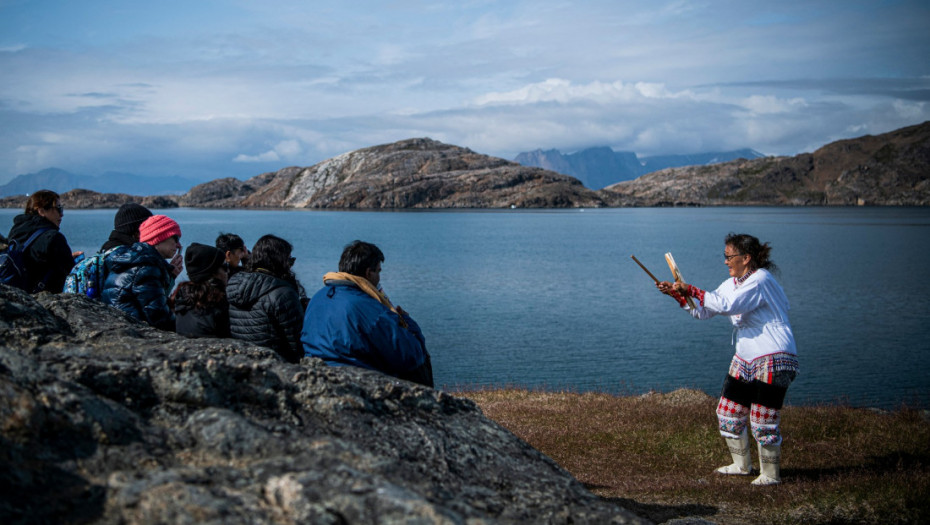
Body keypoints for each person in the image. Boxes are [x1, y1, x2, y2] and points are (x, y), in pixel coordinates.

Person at [657, 233, 799, 486]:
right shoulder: (731, 283)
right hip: (745, 357)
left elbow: (728, 306)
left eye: (729, 256)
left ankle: (770, 475)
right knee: (728, 413)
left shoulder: (760, 280)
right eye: (725, 256)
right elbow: (704, 311)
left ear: (746, 258)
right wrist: (678, 296)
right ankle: (742, 465)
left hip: (773, 356)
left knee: (762, 419)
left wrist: (691, 289)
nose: (725, 262)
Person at [301, 240, 433, 387]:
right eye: (378, 271)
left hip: (316, 374)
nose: (379, 277)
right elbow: (410, 356)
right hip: (354, 381)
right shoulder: (371, 309)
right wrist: (407, 322)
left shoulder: (318, 297)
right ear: (369, 273)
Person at [226, 234, 304, 363]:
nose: (290, 266)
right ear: (280, 262)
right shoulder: (282, 294)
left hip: (243, 360)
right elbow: (297, 342)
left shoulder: (235, 284)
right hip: (277, 363)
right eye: (289, 261)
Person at [101, 215, 183, 331]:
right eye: (175, 238)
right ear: (159, 238)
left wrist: (170, 275)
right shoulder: (146, 267)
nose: (178, 245)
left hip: (120, 325)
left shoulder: (135, 259)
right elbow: (157, 314)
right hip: (132, 331)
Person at [5, 189, 80, 293]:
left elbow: (34, 258)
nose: (61, 214)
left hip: (19, 292)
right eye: (59, 208)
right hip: (45, 296)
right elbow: (70, 272)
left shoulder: (15, 231)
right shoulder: (53, 238)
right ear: (41, 211)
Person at [171, 243, 230, 338]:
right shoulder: (217, 301)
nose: (228, 272)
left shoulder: (181, 297)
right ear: (212, 273)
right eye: (225, 267)